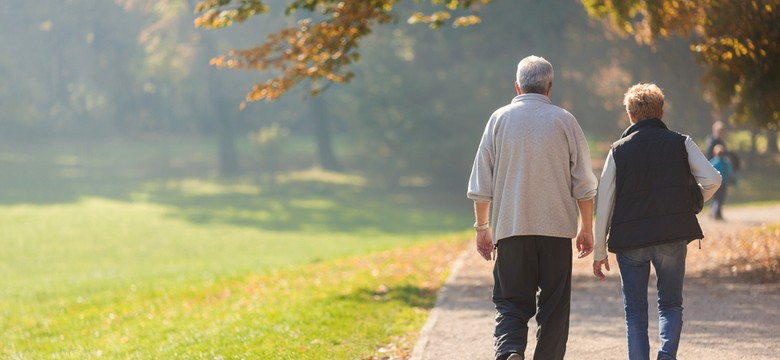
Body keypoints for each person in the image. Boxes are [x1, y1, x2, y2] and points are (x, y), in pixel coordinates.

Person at [467, 55, 598, 360]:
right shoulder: (565, 120)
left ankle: (511, 350)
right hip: (555, 233)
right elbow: (584, 184)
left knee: (511, 301)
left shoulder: (498, 120)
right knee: (554, 308)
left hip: (511, 230)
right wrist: (586, 228)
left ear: (517, 86)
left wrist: (482, 228)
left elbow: (480, 183)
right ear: (549, 87)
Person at [592, 83, 722, 360]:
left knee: (636, 315)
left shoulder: (617, 151)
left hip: (630, 242)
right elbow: (713, 179)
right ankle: (666, 356)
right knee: (671, 305)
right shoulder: (681, 143)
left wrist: (600, 252)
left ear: (630, 114)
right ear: (661, 112)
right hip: (672, 236)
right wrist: (694, 201)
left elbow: (604, 202)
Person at [709, 144, 735, 220]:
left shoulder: (713, 162)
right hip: (723, 183)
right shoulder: (726, 162)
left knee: (716, 198)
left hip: (715, 183)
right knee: (720, 199)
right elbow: (730, 172)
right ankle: (716, 213)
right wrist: (733, 179)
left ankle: (716, 213)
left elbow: (709, 172)